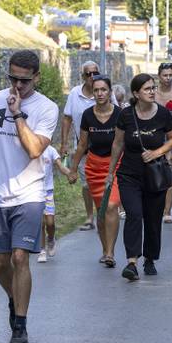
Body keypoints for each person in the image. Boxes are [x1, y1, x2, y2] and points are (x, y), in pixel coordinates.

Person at [0, 49, 59, 343]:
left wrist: (18, 114)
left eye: (24, 80)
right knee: (0, 262)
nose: (17, 85)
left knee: (20, 257)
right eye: (13, 78)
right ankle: (14, 297)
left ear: (37, 77)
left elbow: (34, 150)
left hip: (30, 194)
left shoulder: (47, 108)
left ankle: (20, 325)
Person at [107, 74, 172, 281]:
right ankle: (132, 262)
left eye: (153, 88)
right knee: (134, 215)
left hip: (155, 175)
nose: (152, 91)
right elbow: (118, 143)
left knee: (153, 219)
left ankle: (150, 258)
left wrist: (157, 152)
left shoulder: (163, 114)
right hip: (129, 174)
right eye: (147, 89)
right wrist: (110, 172)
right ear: (136, 93)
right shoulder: (126, 115)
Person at [69, 75, 122, 267]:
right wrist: (73, 169)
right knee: (101, 211)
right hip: (94, 167)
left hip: (115, 165)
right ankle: (105, 249)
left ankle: (111, 252)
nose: (100, 93)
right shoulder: (87, 115)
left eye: (103, 90)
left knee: (111, 206)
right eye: (96, 90)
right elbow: (82, 144)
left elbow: (121, 143)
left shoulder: (119, 114)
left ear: (110, 92)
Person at [60, 61, 116, 232]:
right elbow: (67, 118)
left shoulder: (106, 92)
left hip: (108, 148)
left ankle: (107, 210)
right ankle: (90, 216)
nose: (92, 77)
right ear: (83, 76)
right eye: (88, 74)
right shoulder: (75, 94)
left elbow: (118, 115)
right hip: (83, 147)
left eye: (95, 73)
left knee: (108, 181)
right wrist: (64, 143)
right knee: (87, 184)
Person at [36, 145, 72, 263]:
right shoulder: (32, 148)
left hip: (48, 192)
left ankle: (51, 239)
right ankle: (42, 250)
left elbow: (61, 166)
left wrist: (69, 173)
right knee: (40, 223)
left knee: (50, 223)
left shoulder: (50, 150)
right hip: (34, 192)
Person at [156, 62, 172, 224]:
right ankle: (155, 206)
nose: (168, 78)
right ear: (159, 76)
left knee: (171, 173)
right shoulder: (152, 93)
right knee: (154, 173)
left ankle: (167, 211)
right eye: (165, 75)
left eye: (170, 75)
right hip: (154, 137)